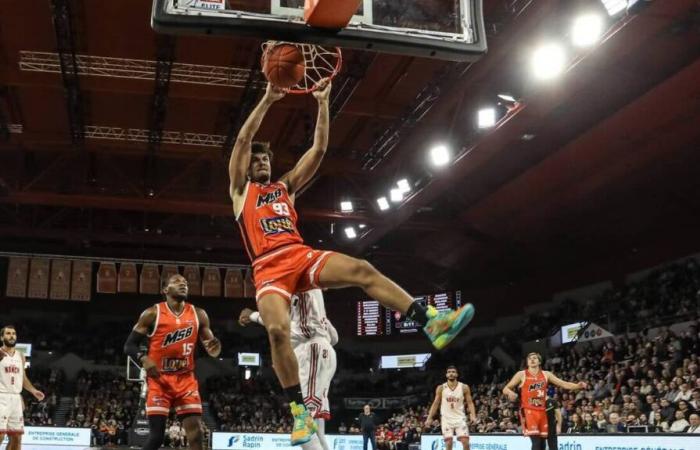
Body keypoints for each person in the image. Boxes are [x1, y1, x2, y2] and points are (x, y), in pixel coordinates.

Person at [227, 79, 475, 445]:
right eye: (257, 158)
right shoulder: (239, 191)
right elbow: (242, 141)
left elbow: (320, 148)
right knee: (277, 330)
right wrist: (267, 99)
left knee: (362, 270)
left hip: (298, 254)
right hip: (268, 266)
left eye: (266, 158)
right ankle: (299, 414)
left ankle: (431, 322)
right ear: (248, 165)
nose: (261, 161)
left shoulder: (285, 189)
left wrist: (324, 103)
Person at [123, 274, 221, 450]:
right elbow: (129, 345)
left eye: (185, 282)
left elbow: (212, 348)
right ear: (165, 290)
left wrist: (215, 347)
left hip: (186, 379)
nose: (183, 284)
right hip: (159, 380)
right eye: (177, 282)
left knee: (197, 434)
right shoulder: (153, 313)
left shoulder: (199, 314)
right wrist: (143, 358)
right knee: (156, 437)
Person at [240, 288, 338, 450]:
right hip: (318, 356)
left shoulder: (299, 290)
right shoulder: (314, 302)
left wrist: (253, 315)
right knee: (316, 430)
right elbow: (334, 338)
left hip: (311, 355)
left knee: (302, 429)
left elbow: (282, 327)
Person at [502, 352, 587, 450]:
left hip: (542, 411)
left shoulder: (546, 374)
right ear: (527, 362)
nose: (532, 360)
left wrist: (577, 386)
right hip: (529, 411)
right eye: (530, 359)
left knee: (542, 444)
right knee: (536, 443)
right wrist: (510, 392)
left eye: (534, 358)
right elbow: (505, 388)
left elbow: (563, 384)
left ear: (539, 361)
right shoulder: (521, 374)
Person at [0, 325, 45, 450]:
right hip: (1, 396)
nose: (11, 336)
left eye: (13, 333)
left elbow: (23, 378)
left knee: (17, 438)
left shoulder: (20, 356)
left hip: (15, 398)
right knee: (0, 435)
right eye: (8, 333)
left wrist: (33, 390)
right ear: (2, 337)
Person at [425, 366, 477, 450]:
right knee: (448, 443)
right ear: (446, 375)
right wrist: (429, 418)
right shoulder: (441, 388)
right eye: (449, 372)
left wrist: (473, 415)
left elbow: (470, 403)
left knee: (465, 442)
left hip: (460, 418)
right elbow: (435, 403)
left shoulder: (464, 387)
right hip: (446, 419)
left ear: (457, 374)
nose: (451, 373)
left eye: (453, 372)